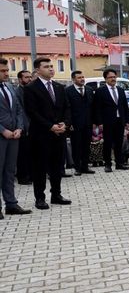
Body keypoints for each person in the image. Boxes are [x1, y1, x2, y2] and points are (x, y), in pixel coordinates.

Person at [23, 57, 71, 209]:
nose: (51, 69)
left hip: (59, 134)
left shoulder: (59, 87)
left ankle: (56, 194)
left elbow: (66, 108)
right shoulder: (31, 88)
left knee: (57, 166)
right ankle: (40, 198)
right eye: (46, 66)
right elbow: (32, 112)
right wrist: (50, 126)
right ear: (37, 70)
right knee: (40, 168)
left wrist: (65, 123)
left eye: (51, 66)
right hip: (41, 135)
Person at [0, 58, 31, 218]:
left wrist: (19, 127)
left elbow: (18, 109)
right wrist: (3, 130)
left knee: (10, 171)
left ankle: (11, 203)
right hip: (2, 136)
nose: (6, 73)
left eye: (7, 70)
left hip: (14, 135)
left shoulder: (10, 87)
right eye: (3, 71)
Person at [92, 68, 129, 172]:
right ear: (105, 79)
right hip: (107, 122)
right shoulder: (100, 91)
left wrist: (127, 121)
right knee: (108, 143)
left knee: (119, 143)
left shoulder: (121, 90)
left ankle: (119, 163)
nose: (113, 79)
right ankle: (108, 164)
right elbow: (97, 108)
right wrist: (99, 122)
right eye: (110, 77)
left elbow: (124, 107)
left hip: (120, 121)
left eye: (114, 77)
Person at [65, 70, 96, 175]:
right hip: (75, 124)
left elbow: (93, 107)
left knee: (86, 146)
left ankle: (85, 166)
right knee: (76, 146)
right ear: (73, 79)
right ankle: (77, 167)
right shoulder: (68, 91)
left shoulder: (89, 90)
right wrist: (69, 124)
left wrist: (94, 121)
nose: (82, 79)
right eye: (79, 77)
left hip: (88, 123)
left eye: (83, 77)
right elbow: (67, 109)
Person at [15, 70, 32, 185]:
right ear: (20, 79)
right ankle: (23, 177)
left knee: (31, 153)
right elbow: (20, 111)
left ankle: (30, 175)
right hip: (23, 128)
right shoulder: (17, 91)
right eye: (26, 77)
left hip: (33, 126)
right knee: (23, 154)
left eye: (30, 77)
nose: (29, 79)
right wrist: (24, 127)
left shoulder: (30, 90)